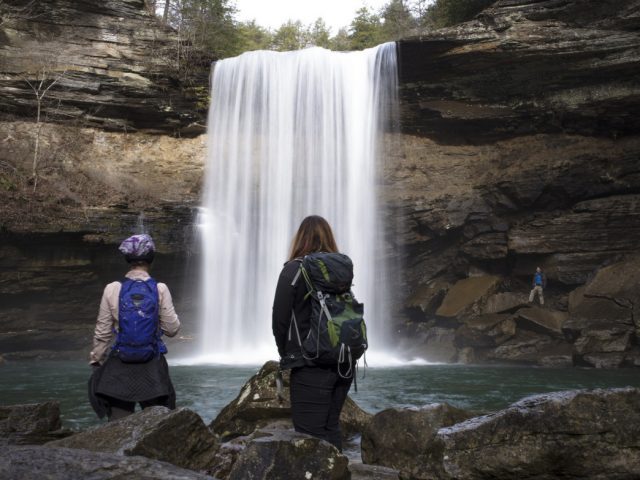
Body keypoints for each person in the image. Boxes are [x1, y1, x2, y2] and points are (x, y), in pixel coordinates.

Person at [272, 215, 353, 452]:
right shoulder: (341, 271)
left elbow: (280, 320)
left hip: (310, 363)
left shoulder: (294, 270)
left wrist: (287, 354)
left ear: (300, 238)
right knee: (330, 428)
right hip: (343, 360)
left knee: (310, 437)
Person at [88, 234, 181, 421]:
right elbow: (172, 329)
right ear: (151, 259)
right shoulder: (160, 288)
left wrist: (96, 359)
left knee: (118, 427)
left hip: (121, 365)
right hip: (152, 367)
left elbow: (103, 332)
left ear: (127, 259)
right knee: (157, 424)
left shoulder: (112, 289)